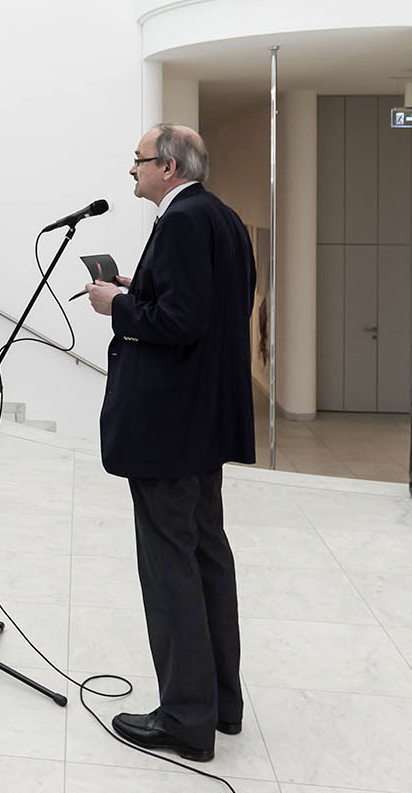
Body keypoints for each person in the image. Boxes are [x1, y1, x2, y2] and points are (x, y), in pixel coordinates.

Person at [85, 123, 254, 764]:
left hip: (169, 428)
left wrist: (116, 308)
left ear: (170, 166)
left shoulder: (181, 222)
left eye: (139, 160)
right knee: (207, 555)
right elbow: (208, 313)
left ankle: (185, 718)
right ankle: (220, 702)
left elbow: (181, 323)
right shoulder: (225, 220)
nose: (132, 169)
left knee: (170, 565)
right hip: (202, 425)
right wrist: (139, 290)